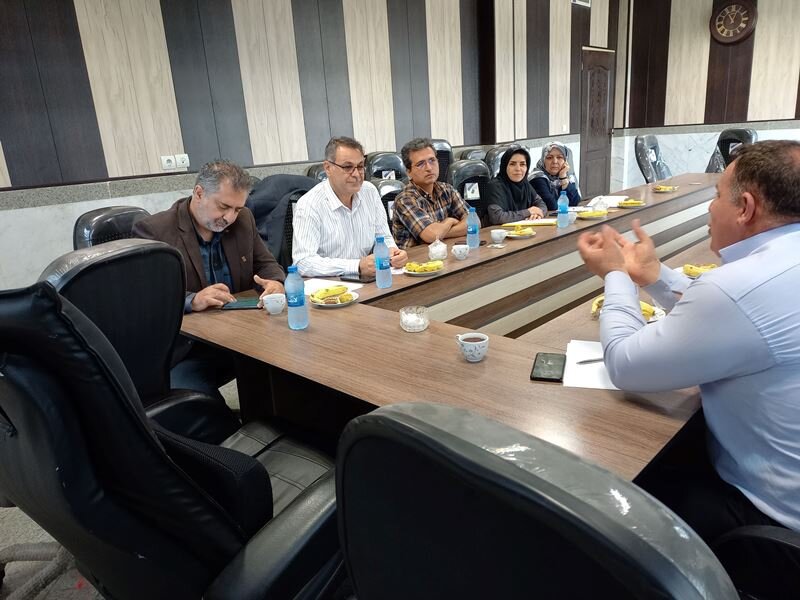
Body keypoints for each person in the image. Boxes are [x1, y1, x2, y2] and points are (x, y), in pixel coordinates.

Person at [576, 140, 800, 594]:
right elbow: (730, 320)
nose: (711, 208)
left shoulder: (740, 286)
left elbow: (625, 363)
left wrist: (615, 275)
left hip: (769, 519)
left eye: (717, 196)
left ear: (746, 208)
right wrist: (654, 276)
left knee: (604, 503)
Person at [133, 160, 285, 401]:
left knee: (292, 373)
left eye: (237, 209)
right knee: (201, 407)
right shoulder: (155, 231)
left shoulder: (243, 219)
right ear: (199, 193)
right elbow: (146, 297)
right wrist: (192, 300)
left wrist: (275, 282)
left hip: (243, 335)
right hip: (188, 349)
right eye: (223, 207)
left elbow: (266, 264)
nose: (230, 217)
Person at [292, 136, 407, 277]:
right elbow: (303, 262)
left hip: (367, 280)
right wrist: (356, 266)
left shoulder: (369, 192)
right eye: (348, 167)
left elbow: (383, 238)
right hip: (329, 285)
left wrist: (393, 253)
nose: (357, 174)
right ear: (328, 168)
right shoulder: (309, 205)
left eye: (360, 166)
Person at [391, 137, 470, 249]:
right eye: (420, 164)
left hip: (443, 254)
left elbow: (474, 222)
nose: (429, 168)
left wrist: (441, 232)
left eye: (432, 160)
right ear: (409, 172)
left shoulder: (447, 189)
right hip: (415, 259)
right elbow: (432, 236)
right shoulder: (405, 199)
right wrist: (449, 221)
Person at [485, 146, 548, 225]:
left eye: (522, 164)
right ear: (505, 166)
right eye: (512, 164)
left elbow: (541, 204)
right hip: (497, 231)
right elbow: (497, 217)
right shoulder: (495, 186)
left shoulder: (525, 184)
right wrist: (528, 212)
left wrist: (537, 214)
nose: (518, 169)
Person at [530, 142, 581, 211]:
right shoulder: (537, 178)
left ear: (565, 160)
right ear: (543, 160)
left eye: (559, 157)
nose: (555, 161)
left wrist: (563, 177)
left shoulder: (565, 175)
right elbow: (552, 206)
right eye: (549, 158)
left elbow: (575, 202)